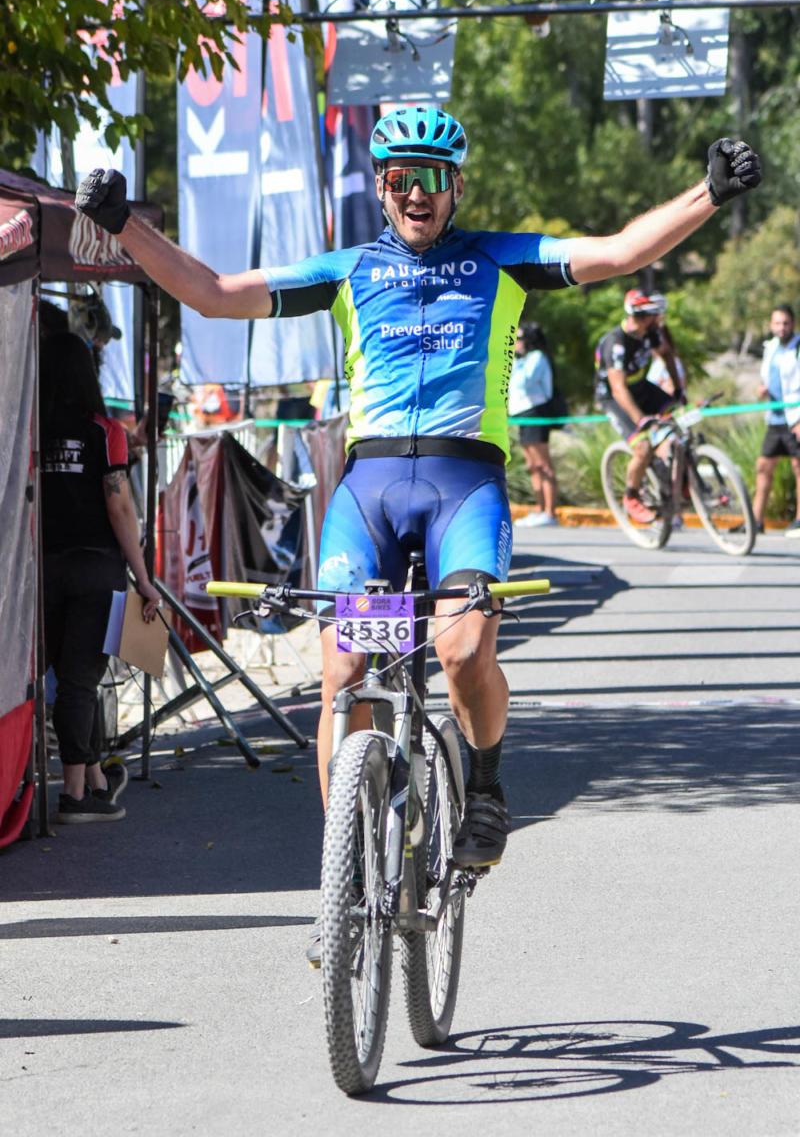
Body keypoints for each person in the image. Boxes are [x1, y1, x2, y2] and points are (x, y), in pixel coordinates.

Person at [75, 115, 760, 919]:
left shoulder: (501, 259)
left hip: (463, 487)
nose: (415, 194)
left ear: (456, 186)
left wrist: (708, 193)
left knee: (463, 651)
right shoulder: (349, 270)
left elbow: (618, 252)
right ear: (381, 186)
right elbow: (214, 295)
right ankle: (345, 880)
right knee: (343, 674)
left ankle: (487, 787)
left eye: (432, 178)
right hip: (368, 496)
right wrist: (123, 224)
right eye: (400, 178)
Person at [40, 331, 161, 823]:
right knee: (80, 680)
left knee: (65, 677)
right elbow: (119, 507)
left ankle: (93, 780)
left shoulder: (29, 430)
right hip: (96, 568)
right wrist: (143, 578)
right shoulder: (105, 431)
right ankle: (73, 795)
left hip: (42, 569)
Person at [594, 289, 685, 524]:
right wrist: (640, 419)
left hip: (641, 387)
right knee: (642, 446)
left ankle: (682, 474)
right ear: (642, 317)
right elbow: (618, 389)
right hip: (615, 397)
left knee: (681, 416)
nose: (659, 320)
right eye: (655, 315)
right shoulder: (616, 343)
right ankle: (631, 496)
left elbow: (667, 356)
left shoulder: (650, 333)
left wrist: (678, 390)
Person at [751, 304, 800, 537]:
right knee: (763, 466)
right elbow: (768, 377)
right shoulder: (770, 347)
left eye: (786, 323)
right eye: (777, 323)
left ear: (793, 324)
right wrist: (762, 389)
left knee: (798, 467)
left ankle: (799, 520)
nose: (782, 328)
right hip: (775, 417)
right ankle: (755, 521)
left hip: (795, 417)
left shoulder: (798, 347)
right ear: (771, 325)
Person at [508, 321, 560, 527]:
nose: (515, 342)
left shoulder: (537, 357)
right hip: (521, 413)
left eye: (519, 339)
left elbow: (524, 382)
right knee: (532, 465)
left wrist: (515, 360)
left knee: (543, 464)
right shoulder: (523, 359)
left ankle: (550, 512)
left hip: (535, 411)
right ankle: (540, 509)